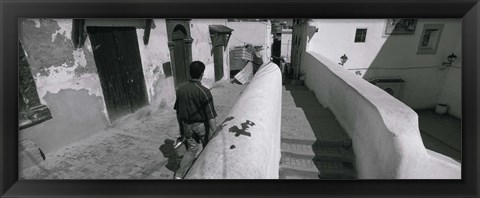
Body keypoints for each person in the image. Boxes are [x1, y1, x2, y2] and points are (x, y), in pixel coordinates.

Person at [173, 61, 217, 179]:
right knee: (207, 148)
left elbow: (178, 112)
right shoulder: (204, 91)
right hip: (201, 127)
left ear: (190, 73)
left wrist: (181, 129)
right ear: (202, 74)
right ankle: (206, 173)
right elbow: (210, 116)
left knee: (191, 150)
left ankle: (178, 175)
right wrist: (217, 133)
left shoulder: (180, 90)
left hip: (186, 126)